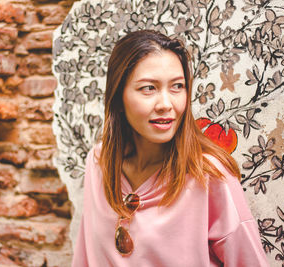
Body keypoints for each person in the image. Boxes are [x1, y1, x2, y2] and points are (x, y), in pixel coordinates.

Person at [72, 30, 269, 266]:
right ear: (118, 97)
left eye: (177, 86)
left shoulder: (209, 174)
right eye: (148, 88)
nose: (166, 104)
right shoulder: (98, 161)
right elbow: (85, 255)